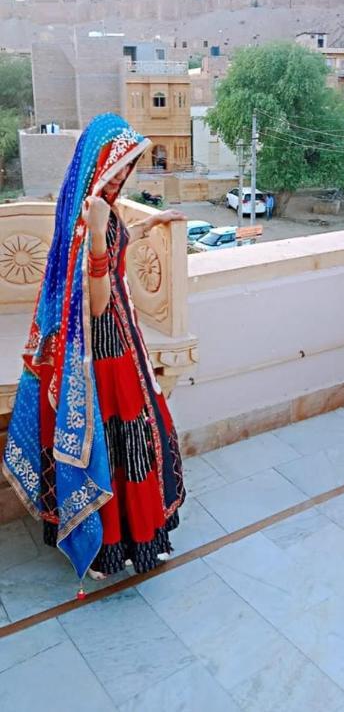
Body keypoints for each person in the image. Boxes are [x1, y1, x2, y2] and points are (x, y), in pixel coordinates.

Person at [2, 114, 187, 583]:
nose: (127, 174)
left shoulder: (102, 204)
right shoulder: (92, 214)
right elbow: (99, 303)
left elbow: (118, 253)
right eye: (122, 165)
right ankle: (112, 548)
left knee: (134, 438)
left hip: (121, 339)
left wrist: (149, 226)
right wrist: (102, 234)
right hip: (100, 352)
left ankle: (140, 537)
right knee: (117, 443)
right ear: (103, 163)